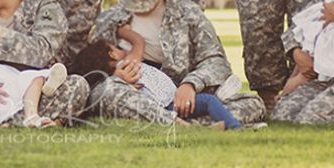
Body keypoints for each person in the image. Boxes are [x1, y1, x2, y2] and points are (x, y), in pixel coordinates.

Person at [86, 0, 265, 126]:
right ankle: (188, 124)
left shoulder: (188, 15)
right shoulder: (109, 20)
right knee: (106, 92)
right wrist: (115, 77)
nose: (138, 4)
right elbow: (91, 68)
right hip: (135, 96)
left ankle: (178, 123)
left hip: (181, 97)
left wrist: (191, 84)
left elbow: (216, 62)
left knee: (252, 104)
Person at [71, 38, 244, 130]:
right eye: (115, 47)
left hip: (168, 101)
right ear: (112, 54)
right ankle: (234, 126)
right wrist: (126, 31)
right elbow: (138, 43)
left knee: (211, 101)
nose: (121, 49)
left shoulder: (120, 72)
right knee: (209, 101)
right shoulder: (126, 65)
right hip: (167, 103)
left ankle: (214, 120)